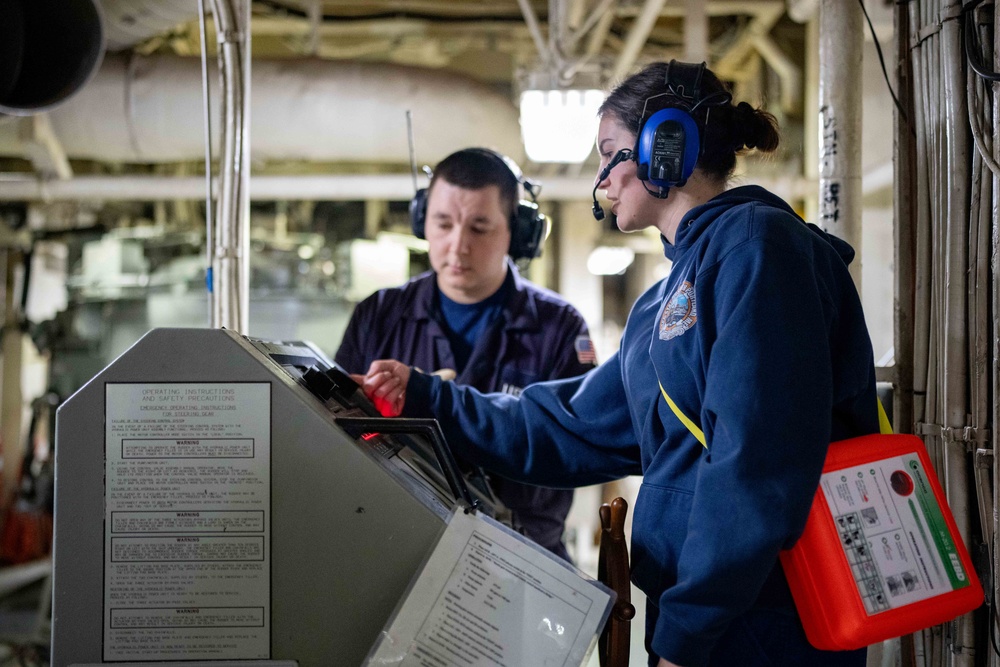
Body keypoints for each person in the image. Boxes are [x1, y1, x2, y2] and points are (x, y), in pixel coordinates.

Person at [353, 61, 880, 667]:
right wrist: (427, 396)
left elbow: (756, 462)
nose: (601, 177)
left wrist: (687, 632)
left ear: (665, 144)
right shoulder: (664, 300)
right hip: (708, 616)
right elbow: (569, 425)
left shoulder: (759, 247)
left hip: (764, 617)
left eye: (609, 151)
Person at [335, 147, 596, 562]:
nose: (457, 247)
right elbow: (336, 440)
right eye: (443, 224)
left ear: (518, 232)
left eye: (479, 227)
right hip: (399, 554)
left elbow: (576, 449)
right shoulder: (378, 315)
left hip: (522, 560)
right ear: (423, 222)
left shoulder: (559, 329)